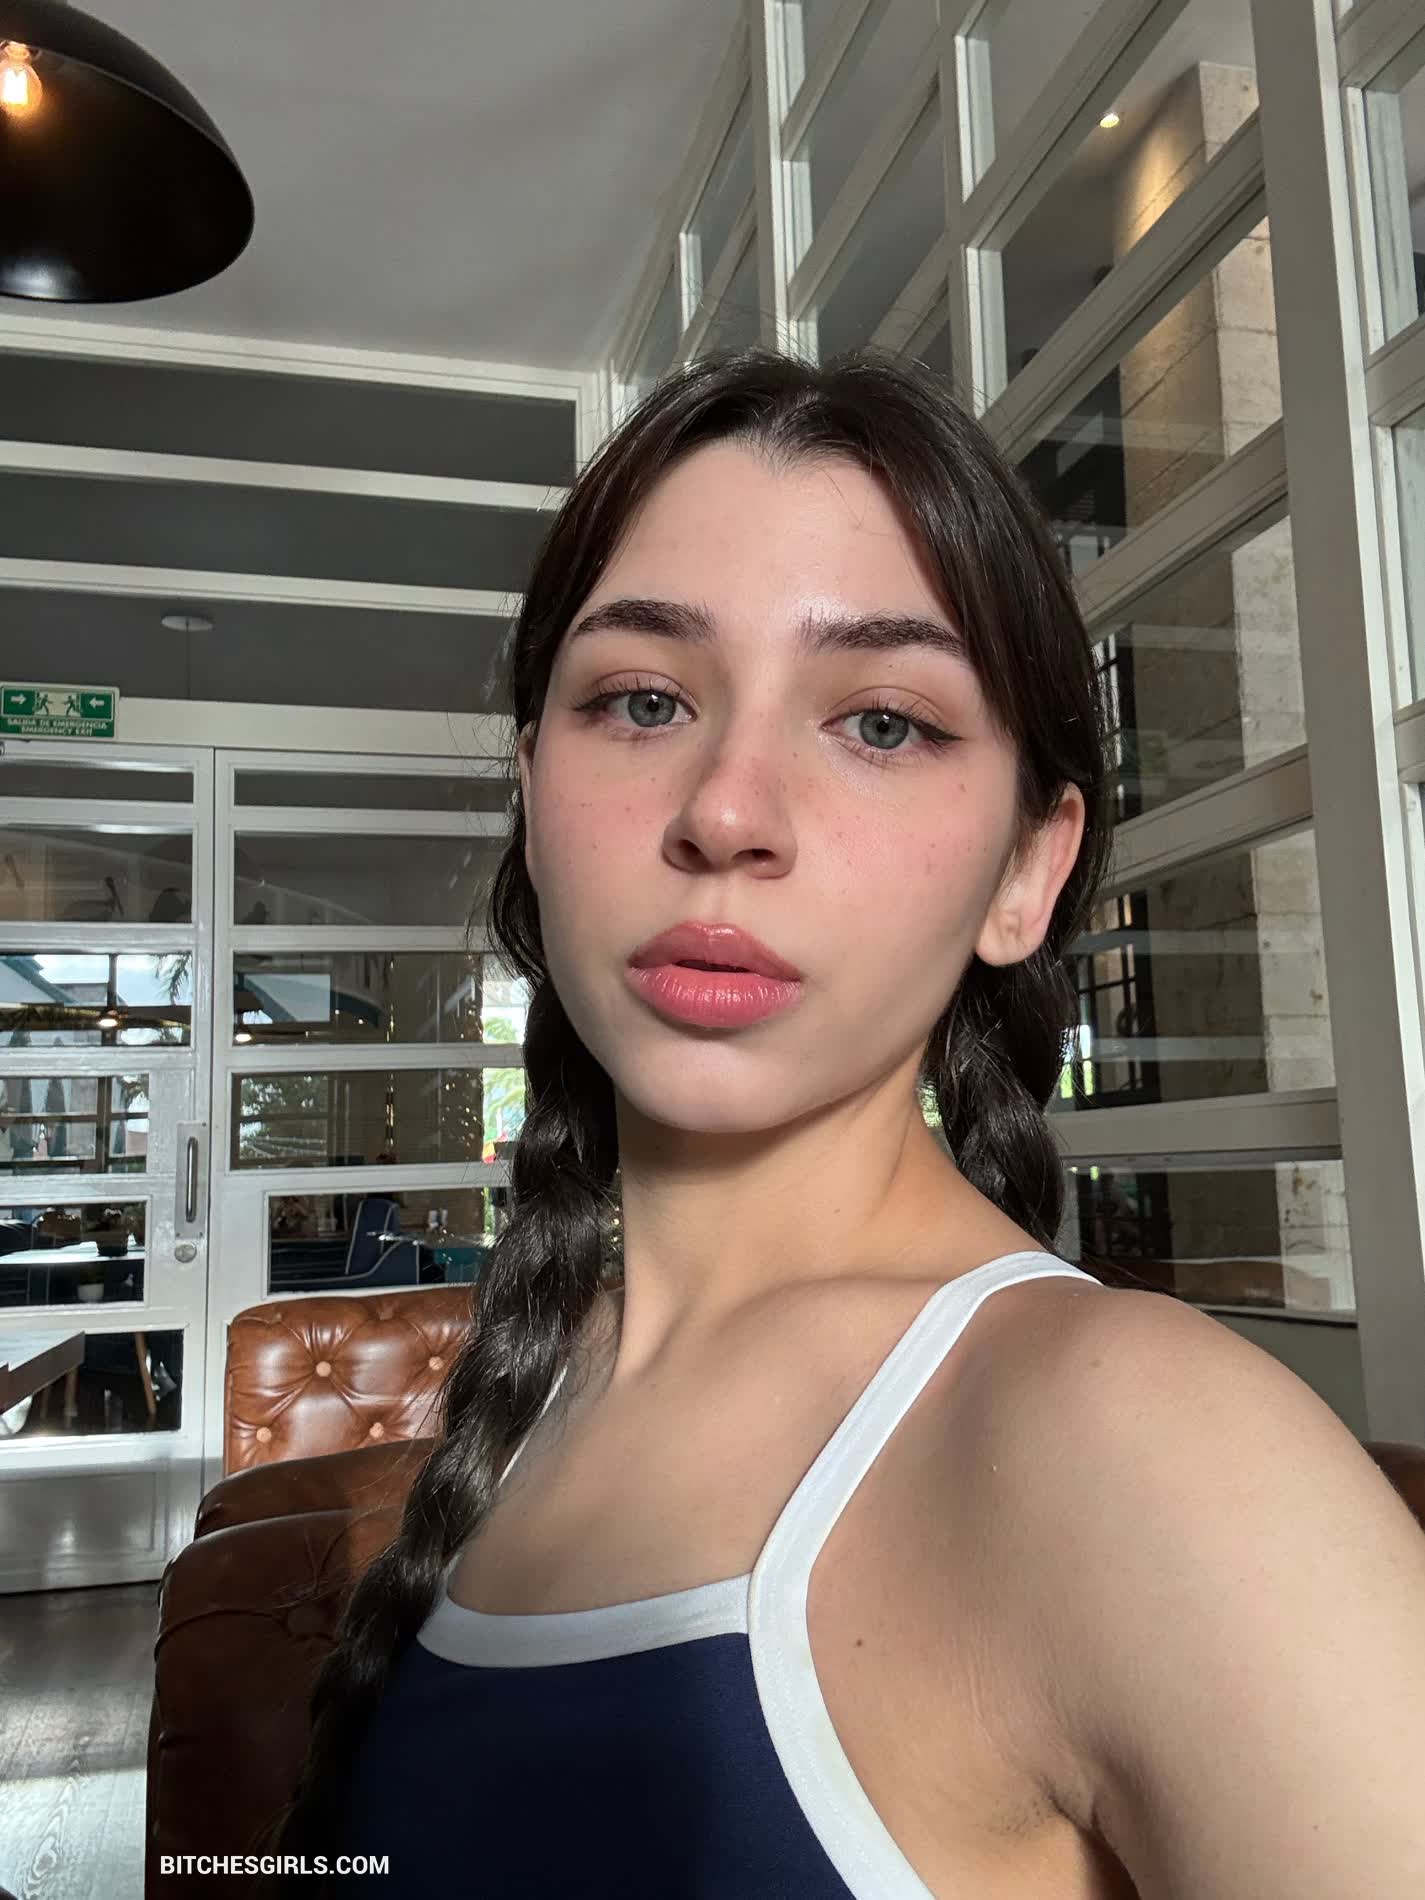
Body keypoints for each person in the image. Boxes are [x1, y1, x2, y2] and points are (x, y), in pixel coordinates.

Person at [274, 349, 1425, 1896]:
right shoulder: (543, 1379)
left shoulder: (1141, 1445)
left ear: (1025, 870)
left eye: (881, 723)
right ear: (532, 795)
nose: (726, 811)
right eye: (641, 700)